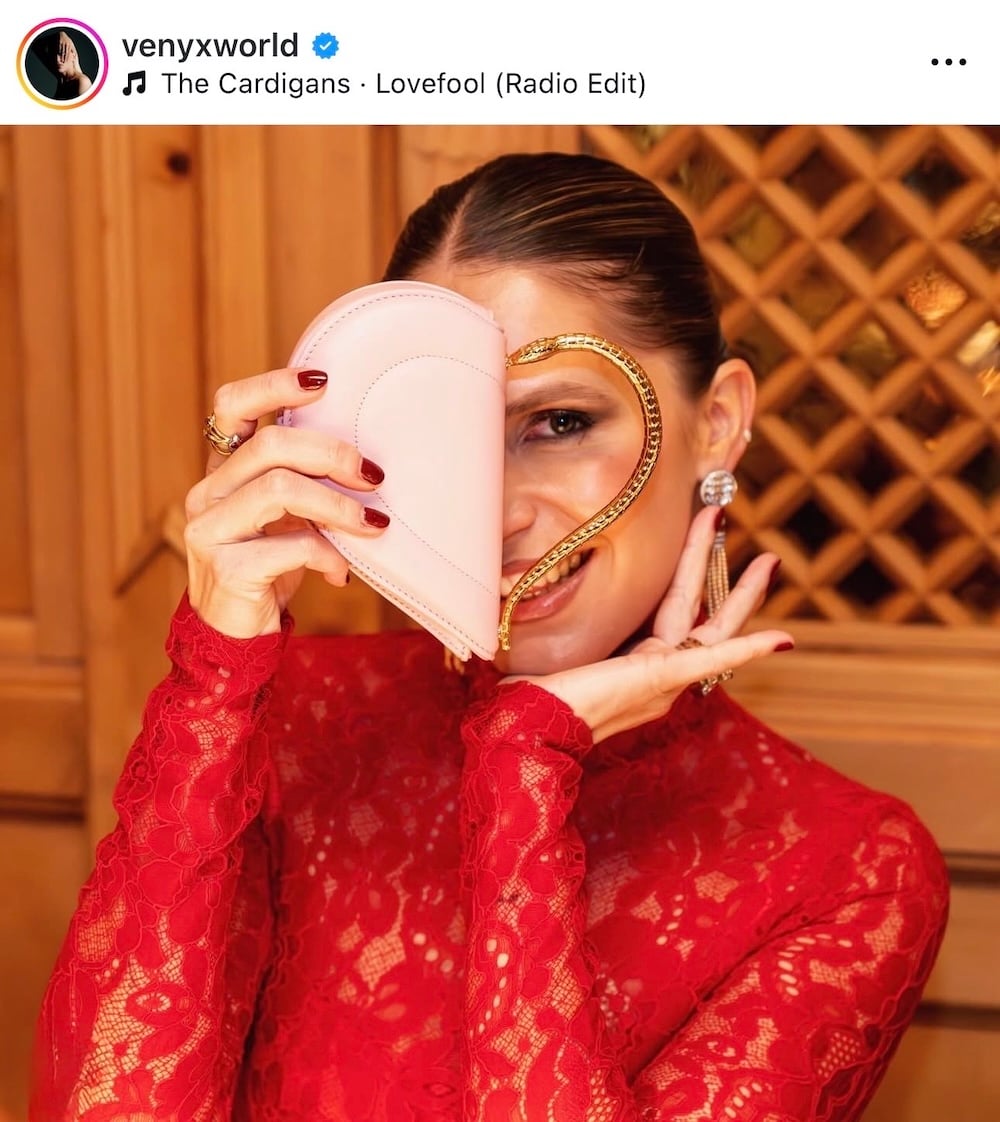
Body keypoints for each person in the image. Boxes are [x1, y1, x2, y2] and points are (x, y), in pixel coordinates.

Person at [30, 153, 948, 1122]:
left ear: (716, 422)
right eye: (446, 442)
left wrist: (525, 761)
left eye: (560, 422)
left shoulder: (853, 872)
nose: (497, 512)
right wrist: (214, 675)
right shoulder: (291, 720)